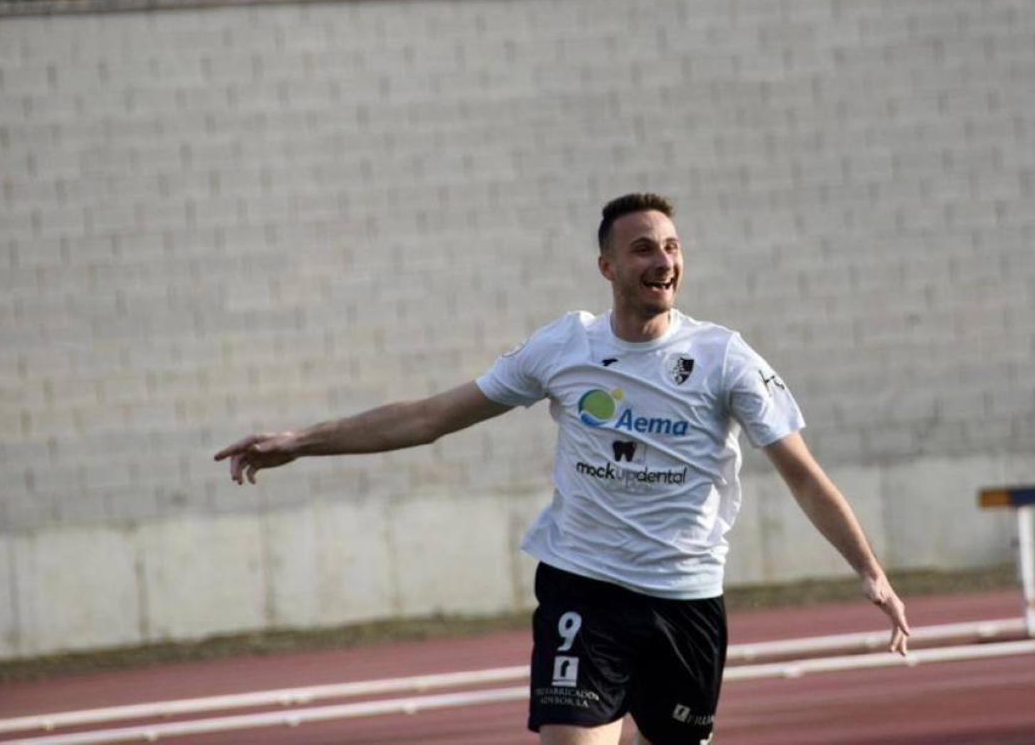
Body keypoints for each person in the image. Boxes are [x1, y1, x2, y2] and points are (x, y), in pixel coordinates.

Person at [215, 192, 910, 745]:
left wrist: (869, 569)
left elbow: (800, 471)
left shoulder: (725, 358)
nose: (662, 260)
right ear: (608, 266)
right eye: (642, 248)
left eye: (671, 246)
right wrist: (301, 440)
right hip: (585, 588)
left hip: (686, 599)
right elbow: (428, 417)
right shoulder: (565, 346)